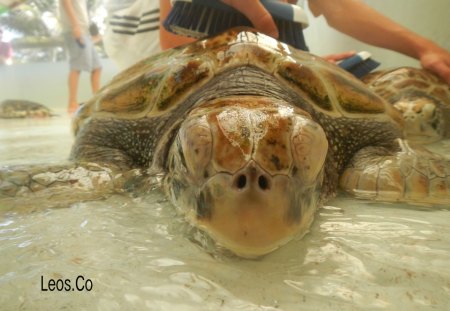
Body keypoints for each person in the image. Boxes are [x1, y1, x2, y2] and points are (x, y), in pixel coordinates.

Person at [158, 0, 450, 85]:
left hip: (283, 72)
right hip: (202, 79)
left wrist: (424, 47)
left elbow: (336, 8)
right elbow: (175, 44)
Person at [60, 0, 102, 113]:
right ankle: (72, 104)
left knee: (97, 67)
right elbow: (66, 2)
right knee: (77, 66)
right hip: (75, 30)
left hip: (84, 31)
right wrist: (75, 26)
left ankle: (97, 101)